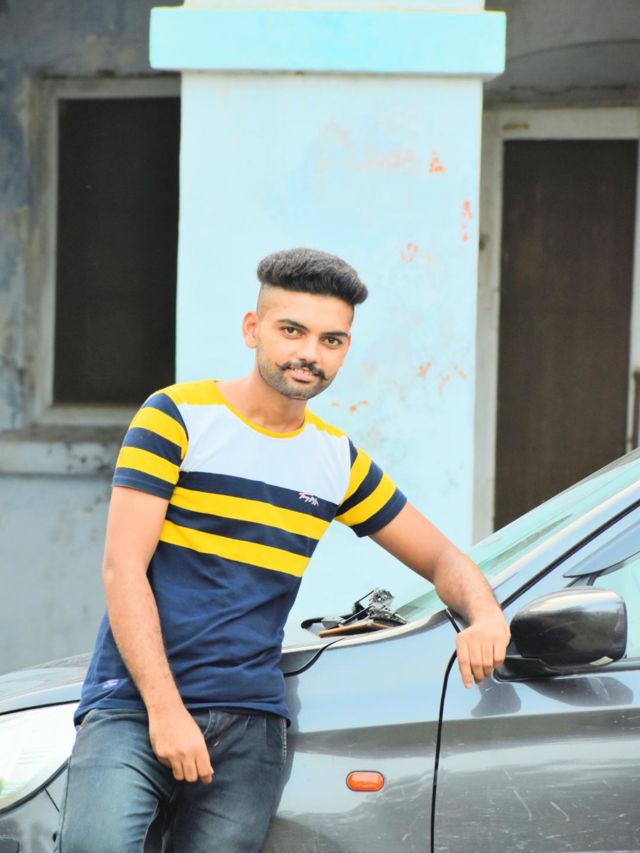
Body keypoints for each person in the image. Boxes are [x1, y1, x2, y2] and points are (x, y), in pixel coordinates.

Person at [55, 247, 510, 853]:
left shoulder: (336, 461)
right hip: (135, 708)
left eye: (331, 340)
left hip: (251, 725)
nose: (310, 353)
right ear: (254, 328)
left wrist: (486, 615)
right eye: (292, 331)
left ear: (344, 349)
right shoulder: (176, 418)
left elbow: (443, 559)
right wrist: (165, 711)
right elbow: (123, 570)